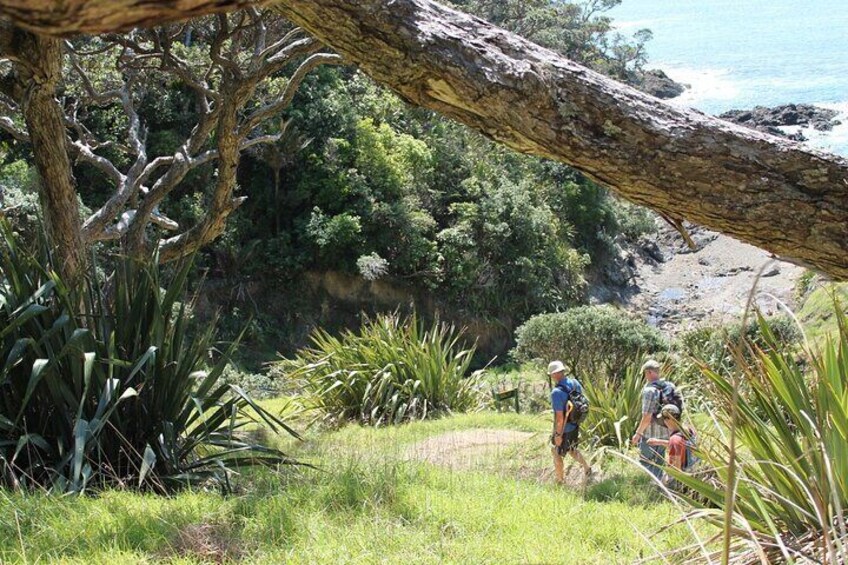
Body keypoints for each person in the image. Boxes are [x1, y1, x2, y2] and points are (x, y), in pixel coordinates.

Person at [548, 360, 591, 485]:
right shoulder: (574, 382)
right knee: (572, 449)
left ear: (555, 374)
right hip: (575, 424)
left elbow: (560, 418)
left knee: (556, 452)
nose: (551, 376)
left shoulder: (556, 393)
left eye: (551, 374)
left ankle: (560, 481)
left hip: (564, 428)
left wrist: (558, 435)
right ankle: (587, 468)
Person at [631, 359, 669, 481]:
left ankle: (653, 485)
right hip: (665, 433)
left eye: (645, 373)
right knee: (659, 462)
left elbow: (647, 416)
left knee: (645, 461)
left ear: (649, 372)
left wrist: (638, 434)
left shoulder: (649, 390)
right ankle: (659, 485)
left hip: (650, 434)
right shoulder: (668, 387)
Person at [647, 404, 697, 486]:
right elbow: (682, 445)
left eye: (664, 419)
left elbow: (675, 469)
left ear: (669, 419)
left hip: (682, 481)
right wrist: (659, 441)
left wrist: (665, 482)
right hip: (694, 472)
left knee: (655, 485)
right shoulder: (690, 430)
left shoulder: (675, 439)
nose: (664, 422)